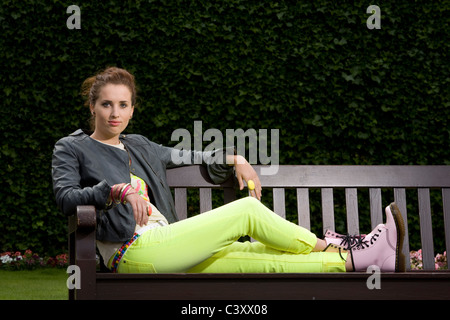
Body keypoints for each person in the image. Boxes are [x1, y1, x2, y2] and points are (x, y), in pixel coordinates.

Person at [52, 67, 406, 274]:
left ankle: (361, 259)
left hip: (171, 248)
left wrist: (234, 157)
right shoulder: (72, 147)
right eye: (106, 104)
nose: (115, 112)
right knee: (248, 210)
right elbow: (66, 197)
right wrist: (115, 191)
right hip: (131, 250)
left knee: (259, 257)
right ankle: (339, 243)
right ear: (92, 106)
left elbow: (193, 155)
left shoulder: (141, 146)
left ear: (132, 109)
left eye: (123, 104)